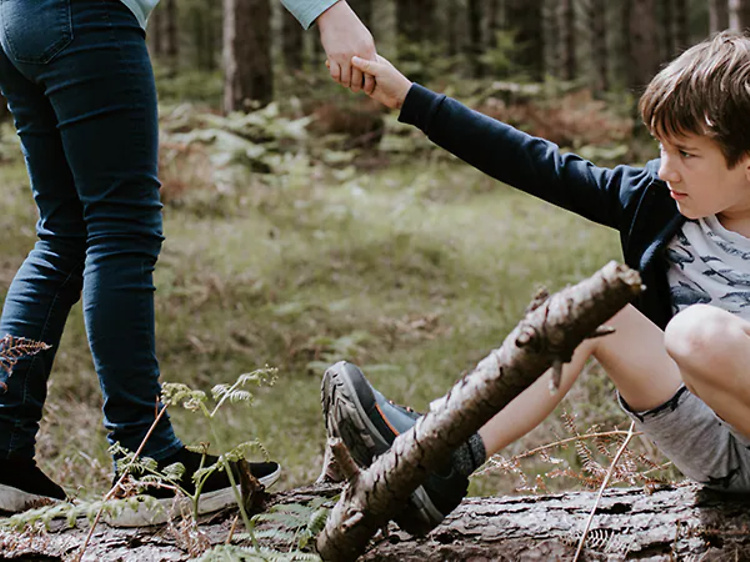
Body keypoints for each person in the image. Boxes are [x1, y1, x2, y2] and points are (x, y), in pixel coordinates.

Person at [321, 30, 750, 534]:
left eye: (686, 153)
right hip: (712, 441)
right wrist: (409, 98)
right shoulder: (655, 199)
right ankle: (438, 457)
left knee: (696, 332)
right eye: (661, 147)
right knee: (593, 311)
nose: (664, 169)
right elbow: (537, 164)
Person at [0, 0, 375, 525]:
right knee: (120, 230)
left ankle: (4, 457)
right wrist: (328, 10)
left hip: (17, 19)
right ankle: (146, 462)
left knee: (63, 236)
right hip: (85, 16)